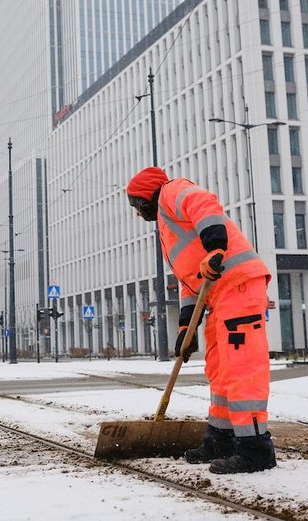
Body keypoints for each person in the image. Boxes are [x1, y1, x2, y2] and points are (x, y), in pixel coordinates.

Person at [126, 166, 276, 474]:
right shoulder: (168, 231)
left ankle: (255, 449)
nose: (138, 215)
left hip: (239, 285)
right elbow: (190, 280)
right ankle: (221, 439)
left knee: (242, 368)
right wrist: (186, 328)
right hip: (219, 297)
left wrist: (215, 247)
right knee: (220, 370)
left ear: (145, 199)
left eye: (136, 206)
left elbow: (204, 203)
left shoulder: (171, 192)